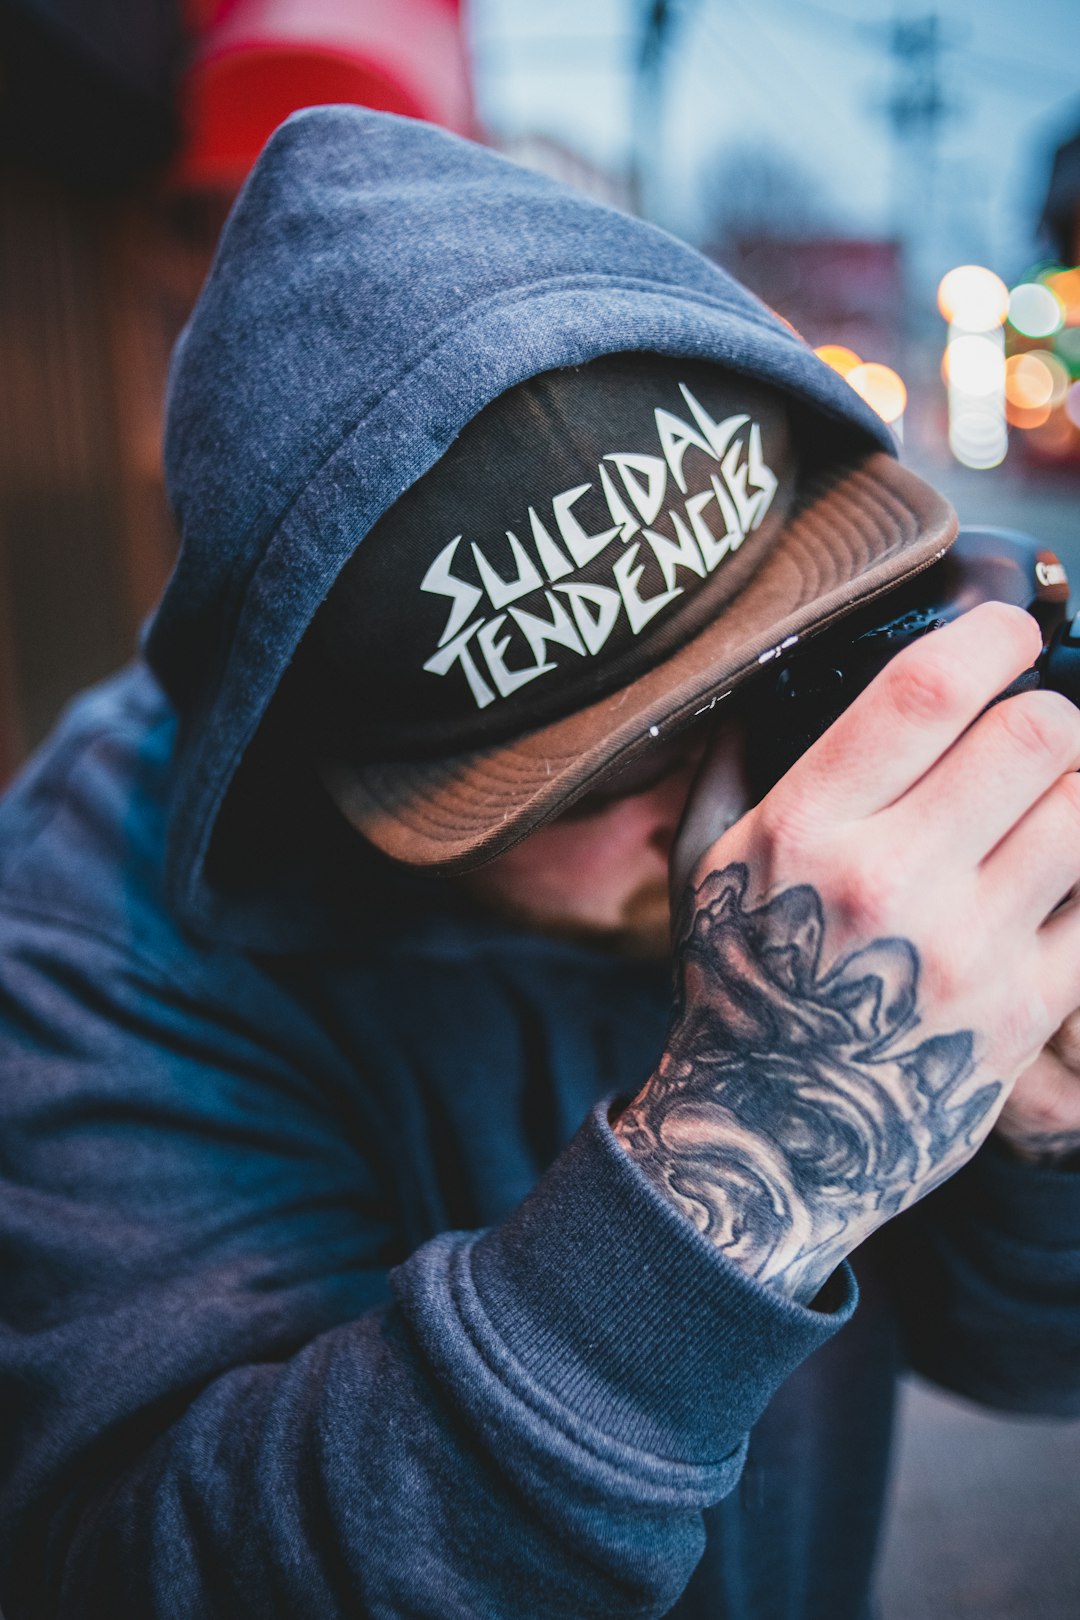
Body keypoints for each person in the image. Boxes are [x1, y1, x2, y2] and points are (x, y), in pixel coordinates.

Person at [1, 105, 1079, 1620]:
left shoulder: (864, 750)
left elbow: (1025, 1356)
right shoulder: (82, 946)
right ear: (361, 775)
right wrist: (746, 1151)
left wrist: (1045, 1124)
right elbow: (153, 1576)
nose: (738, 822)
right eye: (617, 768)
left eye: (758, 680)